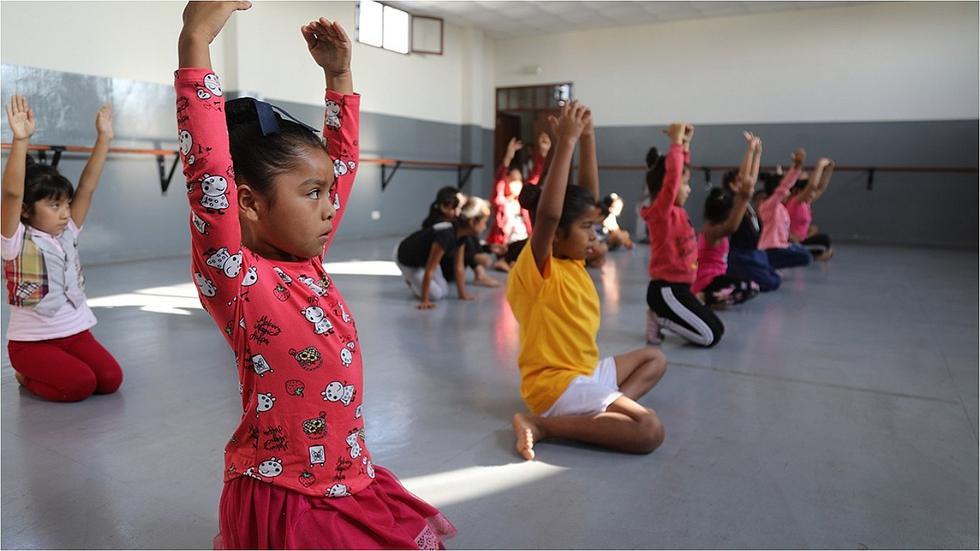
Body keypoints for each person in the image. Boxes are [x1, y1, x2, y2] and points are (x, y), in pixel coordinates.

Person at [175, 3, 453, 547]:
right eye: (311, 194)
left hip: (347, 472)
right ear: (247, 204)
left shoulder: (308, 260)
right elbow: (207, 170)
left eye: (327, 192)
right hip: (289, 490)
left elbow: (342, 164)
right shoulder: (238, 279)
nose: (330, 207)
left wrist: (340, 79)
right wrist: (196, 42)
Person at [507, 100, 667, 461]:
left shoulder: (572, 259)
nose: (595, 236)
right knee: (649, 430)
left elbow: (589, 198)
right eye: (585, 229)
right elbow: (548, 216)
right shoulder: (539, 268)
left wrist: (589, 137)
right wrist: (566, 142)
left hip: (583, 372)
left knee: (655, 358)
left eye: (595, 228)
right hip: (554, 387)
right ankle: (543, 424)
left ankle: (598, 410)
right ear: (557, 234)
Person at [1, 95, 123, 402]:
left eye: (66, 204)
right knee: (78, 386)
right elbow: (12, 193)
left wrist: (104, 138)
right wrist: (20, 140)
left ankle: (59, 366)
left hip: (76, 333)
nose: (65, 212)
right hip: (32, 344)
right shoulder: (14, 239)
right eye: (54, 205)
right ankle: (25, 374)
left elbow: (87, 186)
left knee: (109, 380)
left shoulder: (67, 230)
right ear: (27, 211)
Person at [641, 124, 724, 347]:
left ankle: (662, 316)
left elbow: (678, 172)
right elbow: (673, 178)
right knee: (709, 337)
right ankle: (659, 317)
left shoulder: (677, 211)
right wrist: (676, 143)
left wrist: (686, 142)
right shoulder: (661, 212)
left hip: (682, 289)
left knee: (718, 329)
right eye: (685, 185)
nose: (688, 189)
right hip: (666, 291)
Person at [692, 132, 762, 308]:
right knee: (752, 286)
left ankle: (713, 297)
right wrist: (745, 197)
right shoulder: (713, 230)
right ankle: (705, 297)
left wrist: (755, 152)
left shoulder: (714, 224)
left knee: (760, 282)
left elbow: (747, 179)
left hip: (719, 275)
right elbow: (732, 226)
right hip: (708, 281)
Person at [396, 195, 491, 309]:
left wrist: (462, 294)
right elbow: (430, 269)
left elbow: (459, 266)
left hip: (425, 259)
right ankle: (412, 282)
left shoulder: (462, 235)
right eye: (484, 222)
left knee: (444, 291)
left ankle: (417, 283)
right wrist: (424, 300)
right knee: (435, 295)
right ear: (472, 222)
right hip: (407, 258)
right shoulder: (446, 235)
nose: (485, 227)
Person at [757, 148, 813, 269]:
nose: (788, 190)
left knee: (805, 255)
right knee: (805, 257)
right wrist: (797, 167)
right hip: (770, 248)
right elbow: (784, 186)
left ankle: (770, 264)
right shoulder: (769, 205)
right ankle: (767, 264)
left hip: (782, 245)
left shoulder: (781, 207)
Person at [786, 159, 835, 260]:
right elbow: (812, 186)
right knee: (823, 241)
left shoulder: (806, 203)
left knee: (824, 240)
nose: (812, 194)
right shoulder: (795, 201)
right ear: (799, 191)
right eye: (809, 192)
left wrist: (829, 170)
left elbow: (820, 188)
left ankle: (810, 253)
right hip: (792, 240)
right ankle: (808, 254)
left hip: (802, 240)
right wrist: (820, 165)